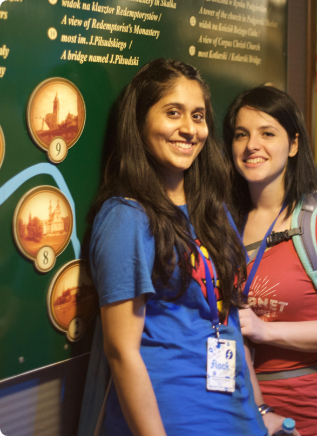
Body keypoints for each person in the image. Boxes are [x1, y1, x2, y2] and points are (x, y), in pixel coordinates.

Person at [79, 59, 290, 436]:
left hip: (236, 413)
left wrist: (260, 409)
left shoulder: (213, 210)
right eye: (172, 113)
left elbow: (230, 324)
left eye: (198, 115)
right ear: (141, 120)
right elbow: (122, 352)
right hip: (172, 419)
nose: (189, 129)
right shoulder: (126, 216)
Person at [223, 85, 317, 436]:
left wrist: (265, 330)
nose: (251, 145)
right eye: (241, 134)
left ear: (293, 144)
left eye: (267, 133)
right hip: (230, 412)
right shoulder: (221, 220)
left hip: (302, 420)